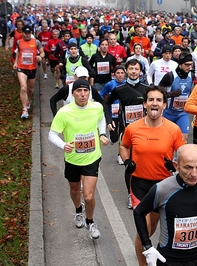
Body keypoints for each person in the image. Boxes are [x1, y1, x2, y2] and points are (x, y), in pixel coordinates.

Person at [119, 86, 185, 265]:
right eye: (151, 100)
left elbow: (183, 152)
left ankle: (143, 246)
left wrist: (176, 165)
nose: (154, 103)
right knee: (144, 229)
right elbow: (123, 146)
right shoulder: (133, 128)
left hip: (163, 185)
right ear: (144, 104)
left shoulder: (173, 130)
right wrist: (127, 162)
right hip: (139, 183)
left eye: (158, 100)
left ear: (164, 105)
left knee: (152, 227)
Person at [48, 79, 110, 239]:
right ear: (73, 93)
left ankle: (90, 222)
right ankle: (78, 211)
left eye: (86, 91)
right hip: (72, 159)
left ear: (89, 92)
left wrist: (102, 134)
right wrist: (63, 145)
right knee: (75, 190)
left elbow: (101, 118)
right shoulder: (64, 111)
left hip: (92, 157)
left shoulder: (96, 107)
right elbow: (52, 134)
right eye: (79, 91)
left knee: (88, 195)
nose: (83, 94)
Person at [104, 59, 149, 208]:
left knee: (144, 162)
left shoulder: (146, 88)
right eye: (131, 69)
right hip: (127, 132)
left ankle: (144, 192)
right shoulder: (120, 89)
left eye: (137, 69)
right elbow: (107, 103)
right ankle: (131, 195)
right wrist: (110, 120)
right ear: (126, 71)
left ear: (140, 71)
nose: (134, 72)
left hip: (144, 131)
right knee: (130, 164)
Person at [158, 53, 193, 143]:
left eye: (191, 64)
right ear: (180, 64)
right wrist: (170, 94)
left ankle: (179, 157)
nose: (189, 67)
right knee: (165, 140)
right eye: (187, 65)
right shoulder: (170, 76)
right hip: (168, 113)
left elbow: (191, 92)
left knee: (183, 140)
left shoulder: (191, 76)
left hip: (183, 113)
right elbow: (157, 93)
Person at [13, 25, 45, 119]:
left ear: (31, 33)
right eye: (25, 33)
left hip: (32, 68)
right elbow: (18, 52)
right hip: (21, 67)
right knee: (23, 88)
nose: (27, 35)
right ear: (22, 33)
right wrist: (15, 63)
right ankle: (24, 110)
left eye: (29, 33)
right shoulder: (19, 42)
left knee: (30, 89)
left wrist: (40, 56)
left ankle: (28, 101)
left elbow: (42, 52)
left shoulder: (36, 42)